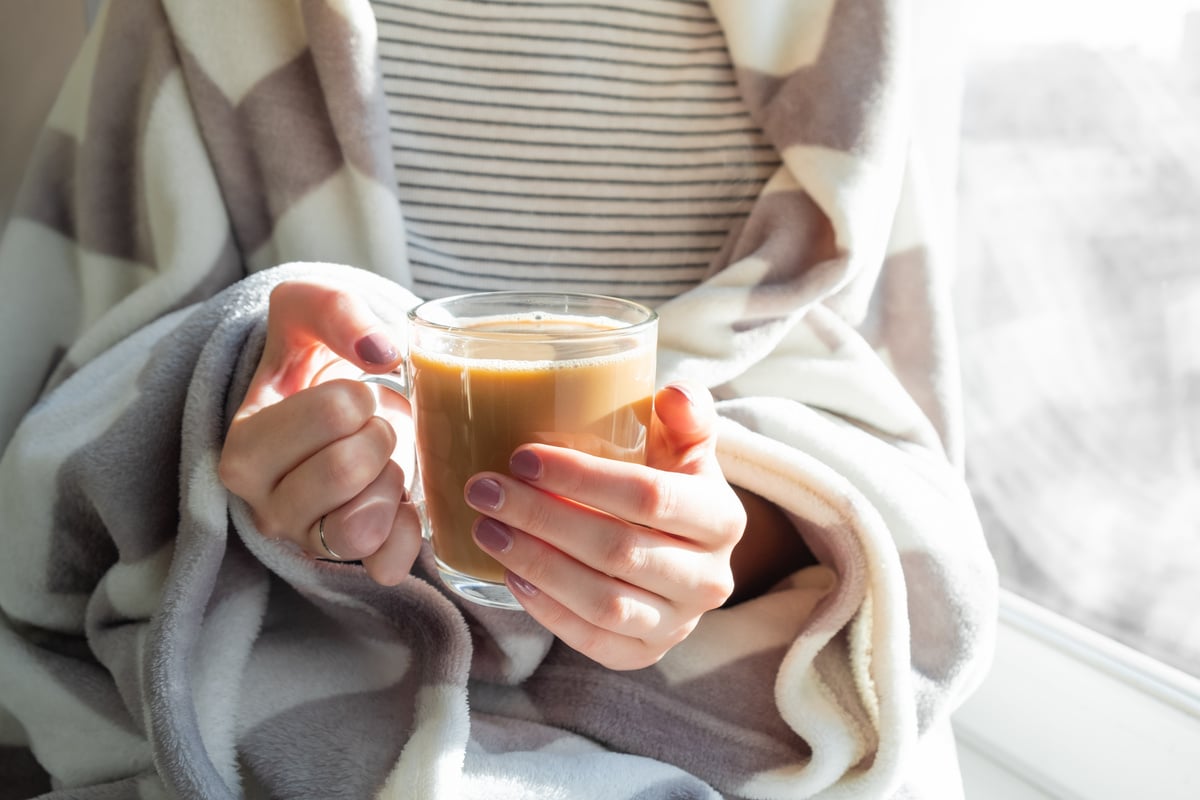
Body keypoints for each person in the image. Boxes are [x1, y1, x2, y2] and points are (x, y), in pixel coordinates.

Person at [0, 2, 997, 798]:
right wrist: (234, 385)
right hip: (305, 664)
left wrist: (728, 541)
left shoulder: (844, 41)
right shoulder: (194, 18)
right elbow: (67, 410)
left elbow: (882, 441)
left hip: (720, 711)